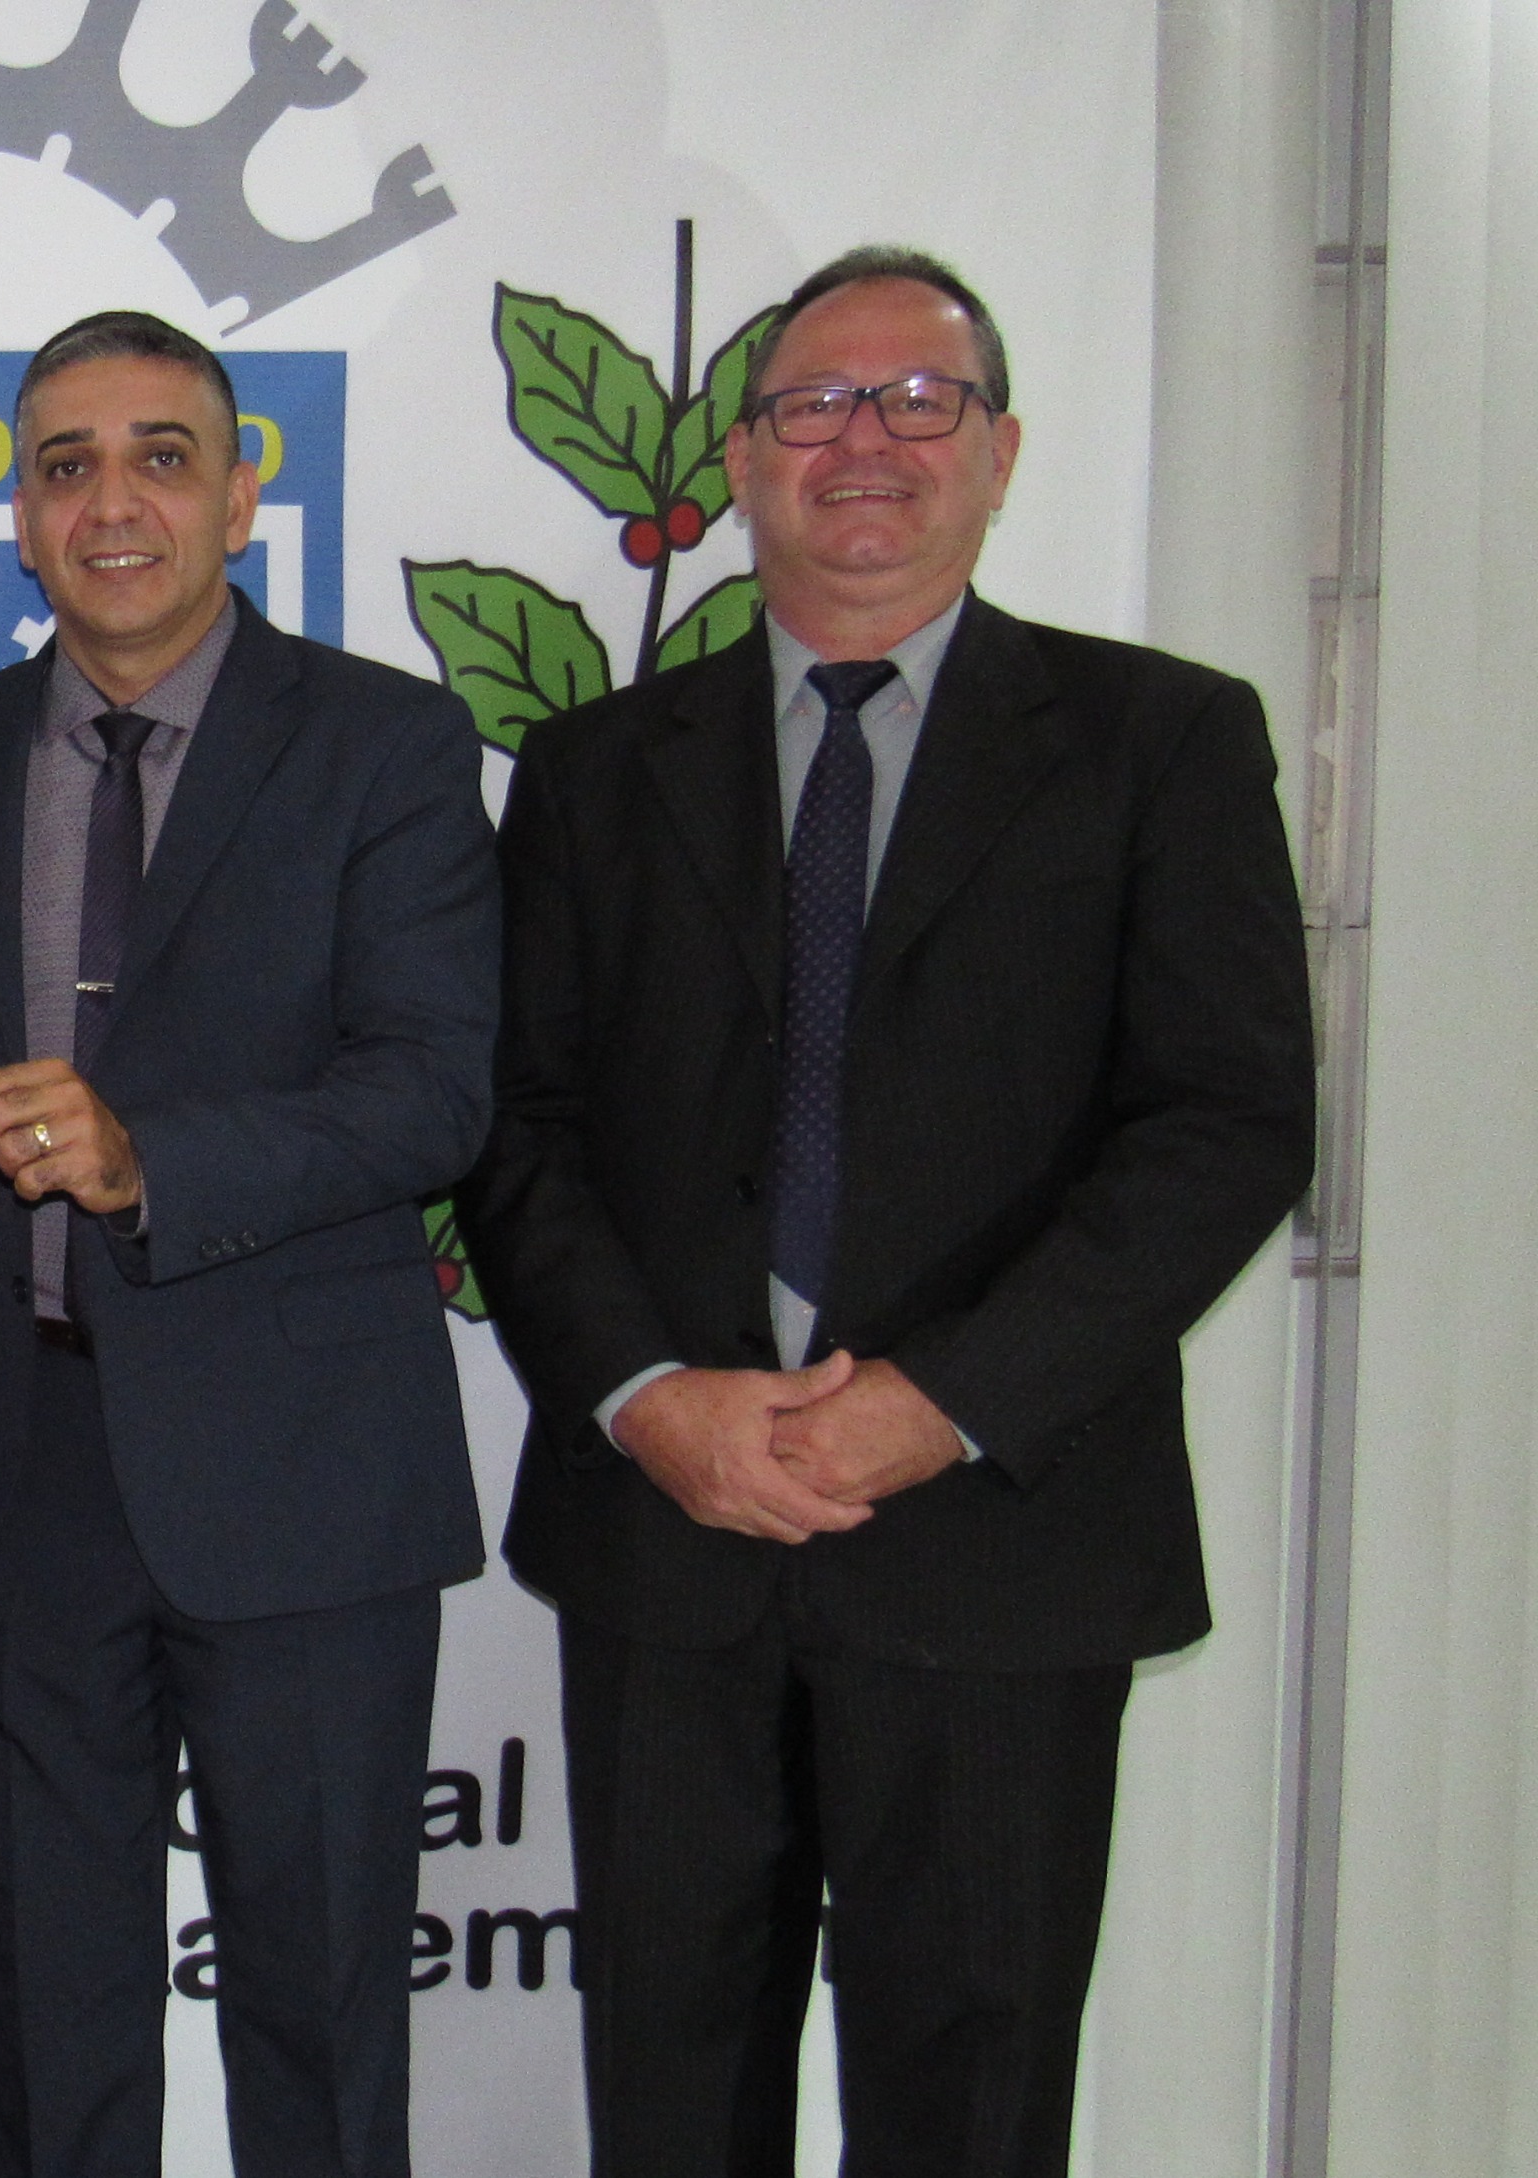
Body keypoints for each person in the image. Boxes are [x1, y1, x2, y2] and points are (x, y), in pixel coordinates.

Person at [453, 248, 1316, 2175]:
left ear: (1000, 451)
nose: (864, 439)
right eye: (812, 404)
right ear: (742, 462)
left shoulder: (1162, 742)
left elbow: (1229, 1123)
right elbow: (514, 1125)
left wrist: (940, 1401)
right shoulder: (594, 771)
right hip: (672, 1536)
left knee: (971, 2110)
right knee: (671, 2109)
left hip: (998, 1544)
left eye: (920, 400)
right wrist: (648, 1397)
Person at [0, 311, 499, 2177]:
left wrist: (150, 1164)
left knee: (318, 2016)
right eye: (65, 464)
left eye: (161, 454)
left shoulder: (387, 740)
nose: (112, 501)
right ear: (21, 516)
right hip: (22, 1455)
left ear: (240, 495)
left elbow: (433, 1092)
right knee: (52, 2024)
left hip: (304, 1466)